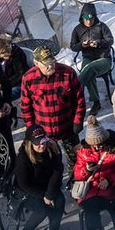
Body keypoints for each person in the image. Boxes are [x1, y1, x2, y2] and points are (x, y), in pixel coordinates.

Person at [19, 45, 86, 185]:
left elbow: (79, 99)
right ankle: (52, 186)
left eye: (52, 62)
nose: (51, 66)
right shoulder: (28, 78)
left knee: (75, 159)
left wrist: (78, 121)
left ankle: (75, 182)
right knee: (48, 161)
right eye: (46, 64)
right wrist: (31, 130)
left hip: (67, 127)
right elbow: (25, 107)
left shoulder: (68, 73)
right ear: (36, 64)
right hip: (43, 131)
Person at [13, 125, 65, 230]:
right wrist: (44, 196)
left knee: (60, 201)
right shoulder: (23, 158)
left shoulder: (52, 149)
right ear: (29, 142)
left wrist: (49, 194)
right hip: (28, 191)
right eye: (37, 143)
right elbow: (24, 183)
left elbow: (57, 172)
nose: (42, 145)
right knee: (41, 210)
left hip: (48, 186)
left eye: (43, 141)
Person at [69, 2, 114, 115]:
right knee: (88, 70)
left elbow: (110, 40)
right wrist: (82, 45)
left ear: (94, 17)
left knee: (88, 69)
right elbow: (73, 46)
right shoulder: (77, 29)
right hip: (88, 58)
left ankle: (74, 91)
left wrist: (98, 43)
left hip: (103, 58)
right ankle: (96, 102)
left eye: (91, 18)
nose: (88, 21)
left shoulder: (102, 27)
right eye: (86, 18)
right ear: (82, 17)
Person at [0, 35, 29, 102]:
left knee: (4, 98)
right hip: (1, 83)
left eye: (1, 54)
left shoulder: (18, 54)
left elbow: (20, 74)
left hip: (17, 83)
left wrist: (5, 84)